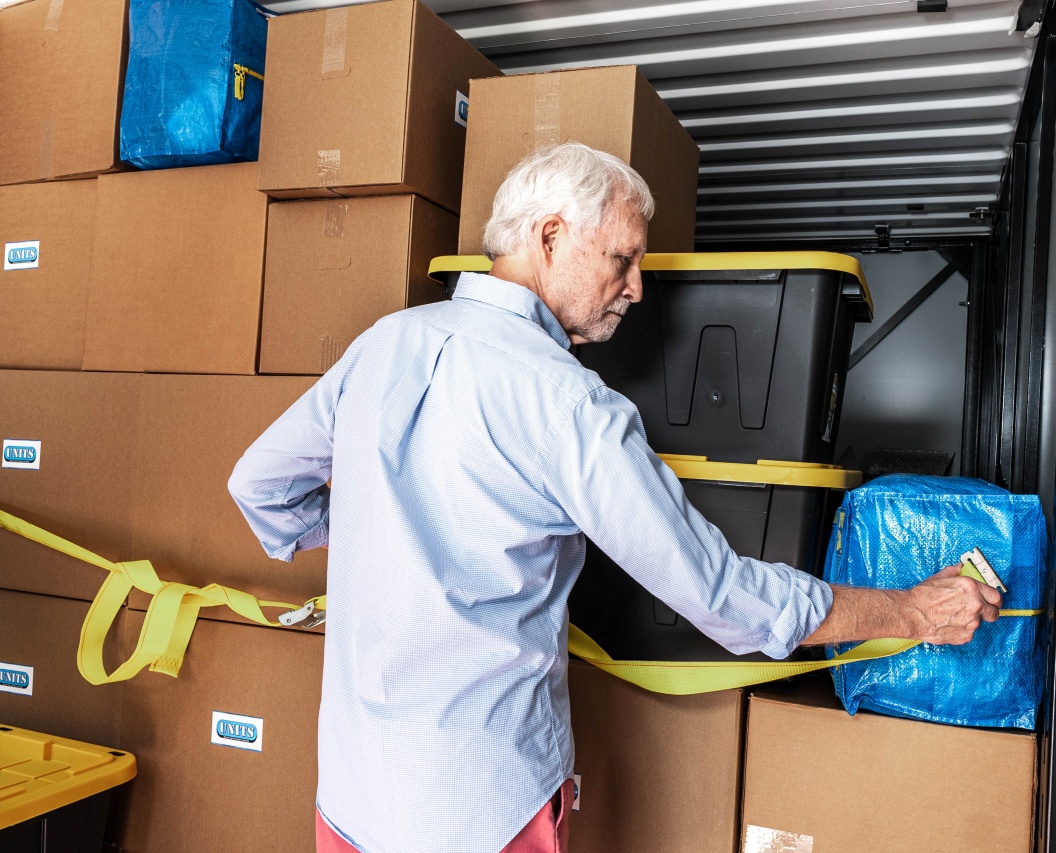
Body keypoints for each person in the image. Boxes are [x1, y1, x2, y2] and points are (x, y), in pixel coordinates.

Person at [228, 142, 1001, 853]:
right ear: (552, 237)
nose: (635, 286)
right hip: (481, 813)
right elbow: (724, 596)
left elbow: (259, 485)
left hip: (351, 803)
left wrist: (370, 534)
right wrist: (913, 612)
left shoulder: (384, 343)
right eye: (624, 258)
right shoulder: (567, 403)